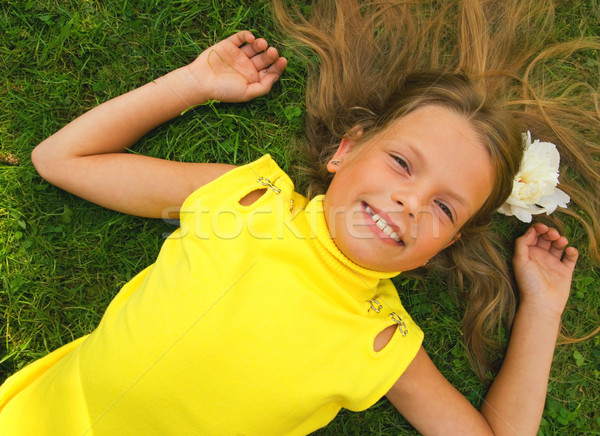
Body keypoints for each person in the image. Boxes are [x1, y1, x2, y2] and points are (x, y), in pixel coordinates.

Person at [1, 0, 598, 434]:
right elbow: (60, 159)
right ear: (346, 149)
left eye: (444, 207)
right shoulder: (244, 198)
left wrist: (542, 309)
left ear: (444, 244)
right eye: (400, 163)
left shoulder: (381, 337)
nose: (410, 202)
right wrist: (192, 83)